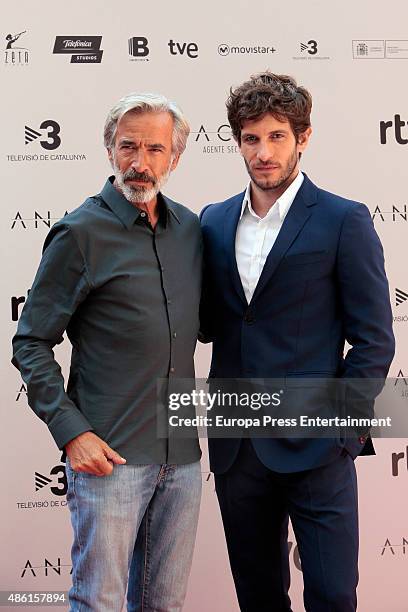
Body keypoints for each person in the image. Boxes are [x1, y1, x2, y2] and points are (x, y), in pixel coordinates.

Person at [199, 72, 395, 612]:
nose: (263, 152)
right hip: (238, 449)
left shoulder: (341, 219)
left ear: (302, 137)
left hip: (318, 448)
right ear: (237, 141)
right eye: (251, 138)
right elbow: (212, 322)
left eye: (276, 136)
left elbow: (375, 340)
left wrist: (343, 428)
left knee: (333, 596)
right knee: (259, 598)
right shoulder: (212, 222)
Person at [12, 93, 202, 612]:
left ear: (176, 157)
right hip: (109, 461)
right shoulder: (80, 233)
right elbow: (30, 341)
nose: (140, 163)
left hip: (182, 459)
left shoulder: (191, 231)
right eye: (128, 146)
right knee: (99, 602)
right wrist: (72, 433)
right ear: (109, 150)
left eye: (155, 149)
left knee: (163, 604)